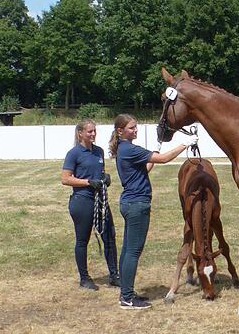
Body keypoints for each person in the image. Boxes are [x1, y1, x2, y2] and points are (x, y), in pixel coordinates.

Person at [109, 113, 198, 310]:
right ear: (120, 130)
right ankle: (127, 298)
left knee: (126, 250)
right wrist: (186, 143)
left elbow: (145, 169)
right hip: (137, 204)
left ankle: (126, 292)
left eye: (136, 126)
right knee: (133, 251)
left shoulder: (124, 149)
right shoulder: (130, 149)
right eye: (131, 127)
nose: (135, 130)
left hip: (129, 203)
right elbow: (164, 159)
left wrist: (157, 148)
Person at [60, 119, 118, 290]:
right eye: (89, 131)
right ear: (80, 133)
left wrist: (105, 178)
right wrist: (87, 182)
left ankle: (114, 275)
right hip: (82, 201)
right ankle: (84, 278)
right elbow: (65, 179)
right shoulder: (74, 154)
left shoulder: (99, 152)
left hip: (100, 200)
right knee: (82, 240)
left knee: (109, 236)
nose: (93, 134)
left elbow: (98, 172)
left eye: (94, 131)